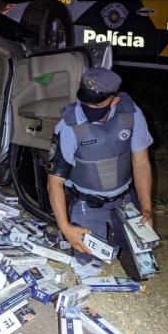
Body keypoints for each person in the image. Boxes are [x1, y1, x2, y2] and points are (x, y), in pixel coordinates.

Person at [46, 65, 154, 278]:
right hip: (88, 203)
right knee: (88, 267)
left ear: (114, 99)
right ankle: (96, 231)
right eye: (85, 102)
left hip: (124, 200)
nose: (88, 108)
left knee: (144, 269)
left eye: (97, 104)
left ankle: (116, 232)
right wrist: (66, 227)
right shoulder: (69, 124)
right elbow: (54, 182)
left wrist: (147, 208)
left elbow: (141, 163)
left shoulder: (130, 114)